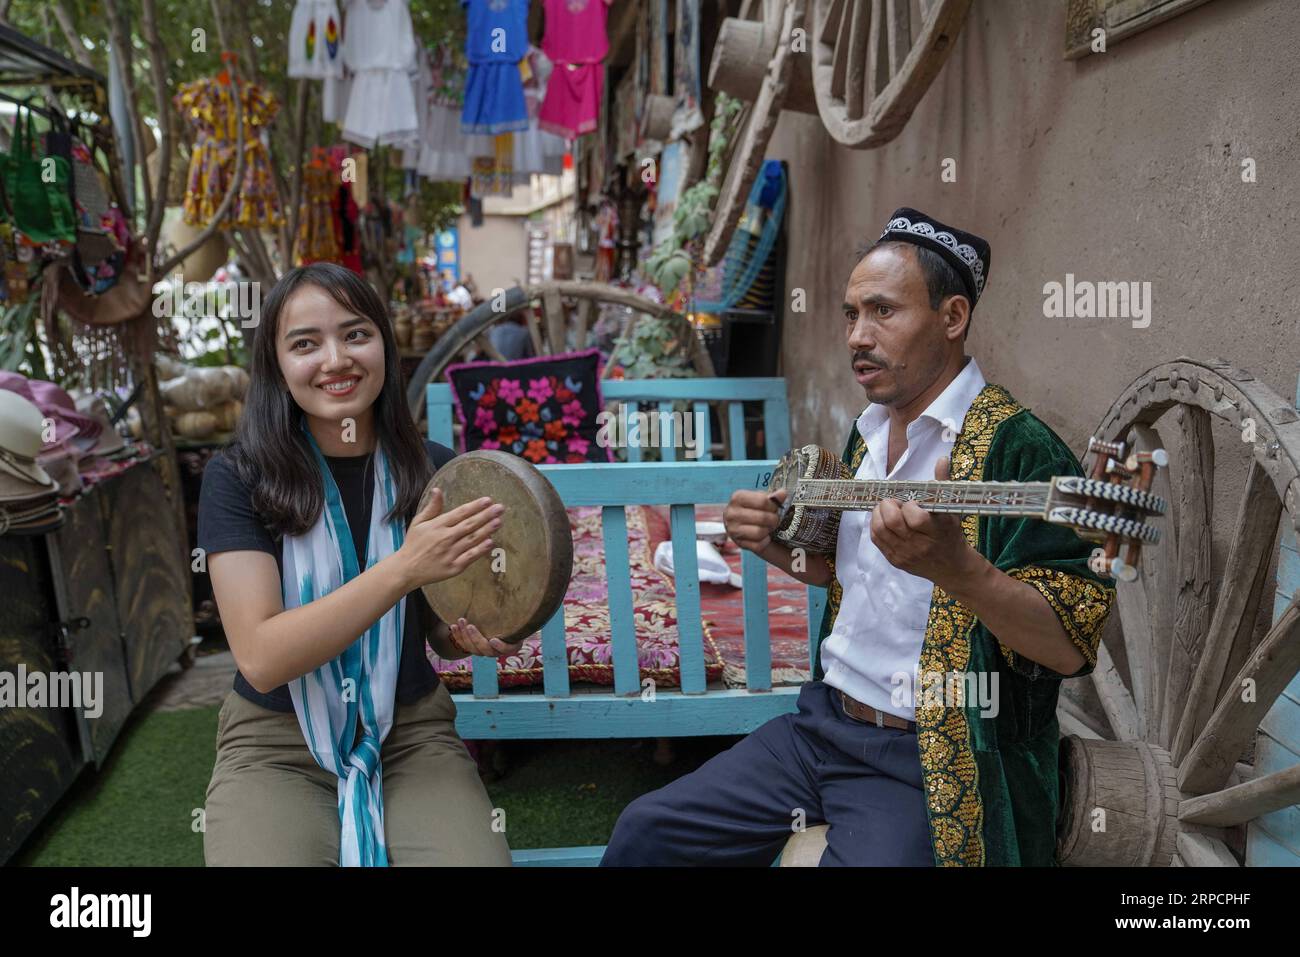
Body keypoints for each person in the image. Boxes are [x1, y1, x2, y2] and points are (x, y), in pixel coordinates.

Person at [601, 208, 1116, 867]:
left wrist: (960, 570)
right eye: (850, 315)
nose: (857, 336)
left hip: (926, 755)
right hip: (821, 727)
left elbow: (1069, 646)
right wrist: (771, 545)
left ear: (953, 318)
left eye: (882, 312)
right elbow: (846, 576)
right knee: (647, 832)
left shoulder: (1024, 453)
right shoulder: (867, 432)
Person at [198, 261, 521, 866]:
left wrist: (463, 634)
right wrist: (403, 567)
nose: (335, 359)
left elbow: (430, 627)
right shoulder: (238, 476)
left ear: (384, 345)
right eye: (304, 343)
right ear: (277, 366)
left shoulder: (434, 467)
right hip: (276, 741)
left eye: (355, 334)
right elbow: (263, 658)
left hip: (408, 731)